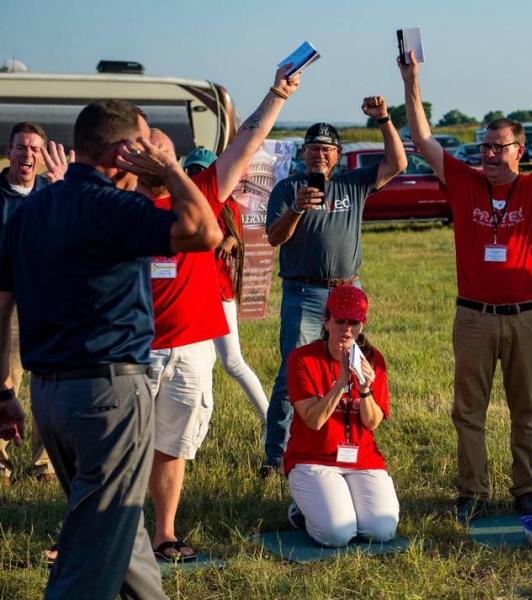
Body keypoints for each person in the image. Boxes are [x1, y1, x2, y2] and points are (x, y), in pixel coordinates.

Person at [0, 98, 220, 599]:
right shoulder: (114, 208)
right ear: (124, 152)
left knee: (121, 531)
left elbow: (3, 304)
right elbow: (205, 230)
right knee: (89, 564)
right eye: (142, 143)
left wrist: (2, 389)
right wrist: (170, 168)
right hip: (109, 397)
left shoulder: (31, 210)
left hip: (49, 399)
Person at [398, 51, 532, 520]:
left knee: (526, 409)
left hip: (524, 316)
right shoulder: (464, 182)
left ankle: (526, 488)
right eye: (484, 147)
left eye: (497, 148)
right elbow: (422, 139)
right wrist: (412, 78)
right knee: (468, 411)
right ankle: (473, 491)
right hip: (475, 316)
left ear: (518, 151)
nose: (487, 154)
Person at [138, 66, 300, 562]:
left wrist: (276, 92)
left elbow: (247, 143)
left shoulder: (203, 192)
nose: (157, 155)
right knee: (116, 449)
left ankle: (163, 534)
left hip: (189, 347)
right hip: (133, 347)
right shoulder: (116, 204)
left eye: (163, 149)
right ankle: (104, 534)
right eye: (150, 148)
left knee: (174, 444)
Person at [261, 97, 406, 477]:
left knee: (353, 366)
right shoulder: (287, 188)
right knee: (293, 369)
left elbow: (397, 163)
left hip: (346, 293)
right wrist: (295, 208)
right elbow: (274, 238)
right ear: (303, 153)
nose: (319, 156)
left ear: (337, 154)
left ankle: (350, 442)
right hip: (304, 293)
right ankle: (275, 455)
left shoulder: (353, 183)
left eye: (326, 149)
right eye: (313, 149)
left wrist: (385, 120)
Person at [283, 284, 399, 547]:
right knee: (337, 534)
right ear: (326, 321)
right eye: (340, 321)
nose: (346, 329)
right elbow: (313, 420)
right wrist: (341, 382)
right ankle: (304, 510)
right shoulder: (302, 358)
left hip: (362, 460)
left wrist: (365, 389)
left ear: (361, 326)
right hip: (314, 459)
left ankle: (333, 504)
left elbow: (372, 422)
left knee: (382, 531)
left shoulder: (373, 360)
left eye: (354, 322)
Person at [0, 122, 72, 486]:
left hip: (44, 297)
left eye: (34, 149)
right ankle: (1, 459)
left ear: (42, 156)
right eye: (21, 147)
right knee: (3, 376)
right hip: (3, 295)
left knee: (46, 378)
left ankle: (44, 461)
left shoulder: (53, 191)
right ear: (9, 151)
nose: (27, 155)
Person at [183, 147, 269, 423]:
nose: (196, 176)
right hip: (190, 296)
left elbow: (239, 239)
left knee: (232, 362)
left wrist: (232, 240)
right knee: (200, 365)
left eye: (201, 170)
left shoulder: (227, 206)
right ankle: (199, 421)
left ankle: (271, 420)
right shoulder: (180, 204)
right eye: (191, 170)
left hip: (218, 295)